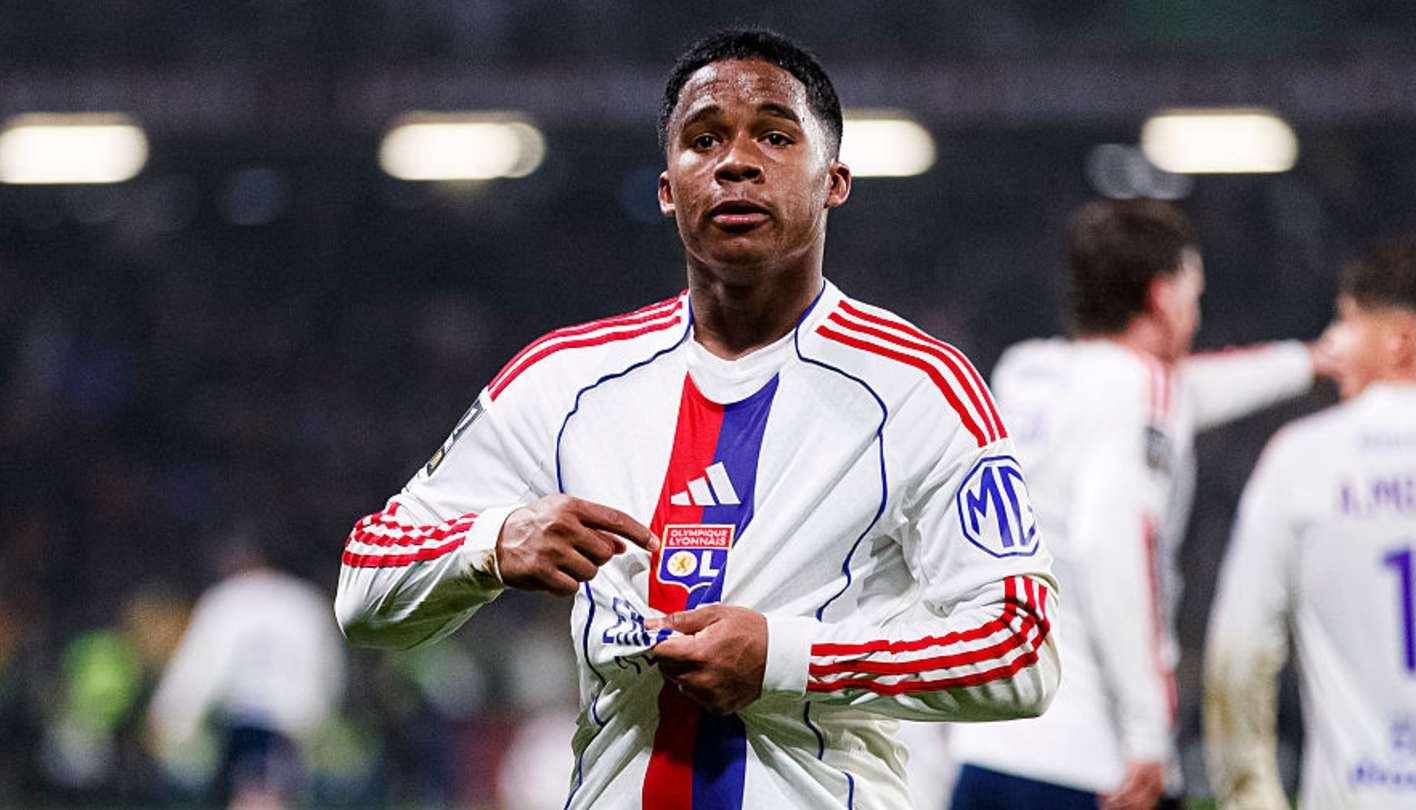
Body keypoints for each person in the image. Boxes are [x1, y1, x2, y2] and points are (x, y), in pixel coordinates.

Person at [335, 28, 1060, 810]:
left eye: (775, 136)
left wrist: (786, 658)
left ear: (834, 182)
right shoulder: (564, 380)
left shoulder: (921, 387)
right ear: (667, 188)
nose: (735, 162)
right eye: (704, 140)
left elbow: (1021, 649)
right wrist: (491, 544)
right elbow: (365, 589)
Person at [948, 199, 1334, 810]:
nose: (1197, 312)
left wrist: (1309, 361)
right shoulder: (1140, 390)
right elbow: (1113, 546)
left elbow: (1187, 392)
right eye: (1193, 294)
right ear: (1162, 297)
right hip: (1094, 764)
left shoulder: (1025, 373)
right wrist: (1147, 734)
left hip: (986, 748)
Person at [1205, 237, 1416, 809]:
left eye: (1347, 323)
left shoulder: (1304, 459)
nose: (1332, 344)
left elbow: (1239, 653)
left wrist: (1249, 796)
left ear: (1400, 340)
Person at [148, 530, 346, 809]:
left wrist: (171, 713)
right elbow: (329, 668)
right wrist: (321, 716)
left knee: (252, 796)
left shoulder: (225, 600)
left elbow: (200, 666)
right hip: (295, 723)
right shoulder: (306, 601)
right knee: (279, 796)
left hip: (245, 720)